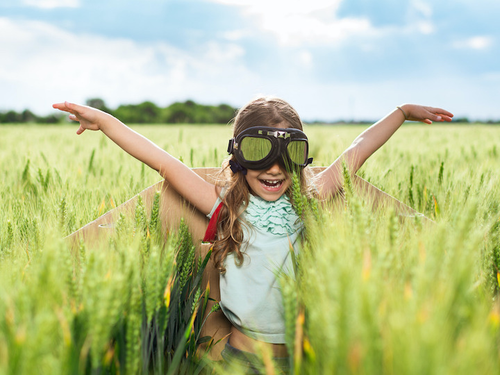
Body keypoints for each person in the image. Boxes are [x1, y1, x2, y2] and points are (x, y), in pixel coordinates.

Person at [53, 97, 453, 373]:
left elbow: (358, 149)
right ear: (239, 155)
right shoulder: (226, 206)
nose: (275, 168)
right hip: (237, 360)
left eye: (290, 153)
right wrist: (104, 122)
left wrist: (400, 113)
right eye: (260, 150)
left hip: (297, 357)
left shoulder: (308, 200)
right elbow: (162, 162)